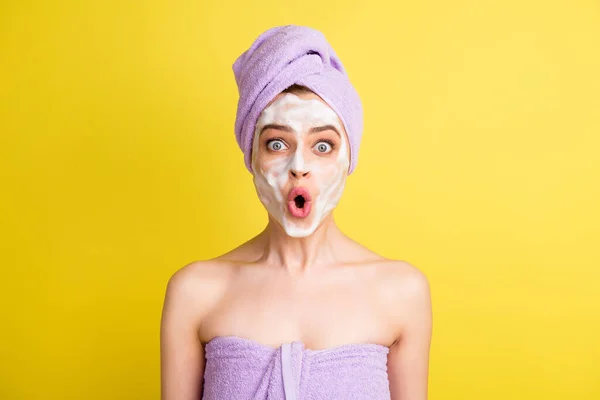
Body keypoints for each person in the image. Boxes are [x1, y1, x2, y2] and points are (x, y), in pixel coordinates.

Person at [160, 25, 432, 400]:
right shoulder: (195, 293)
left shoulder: (402, 292)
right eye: (277, 143)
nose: (299, 165)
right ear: (251, 157)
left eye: (322, 145)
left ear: (348, 157)